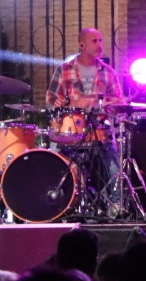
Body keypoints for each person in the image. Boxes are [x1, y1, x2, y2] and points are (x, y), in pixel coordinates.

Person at [46, 27, 127, 216]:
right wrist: (61, 104)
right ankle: (61, 206)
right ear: (81, 44)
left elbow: (120, 101)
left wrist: (108, 103)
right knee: (58, 163)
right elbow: (50, 99)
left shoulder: (108, 72)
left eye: (100, 41)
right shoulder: (64, 70)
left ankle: (116, 206)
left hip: (100, 128)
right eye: (94, 41)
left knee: (113, 164)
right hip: (72, 129)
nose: (99, 45)